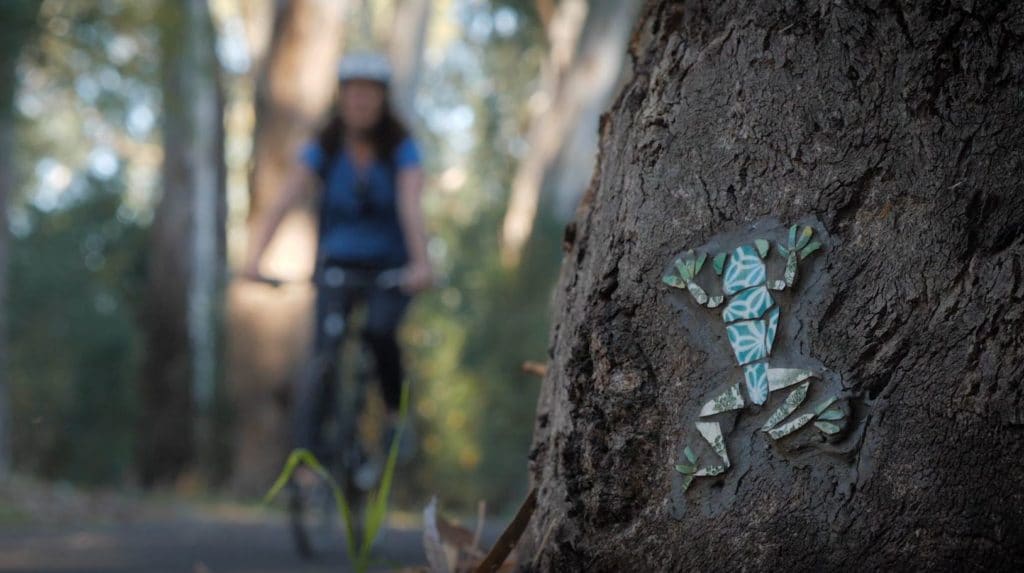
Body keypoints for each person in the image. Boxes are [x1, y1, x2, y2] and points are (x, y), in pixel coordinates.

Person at [242, 52, 431, 471]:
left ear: (383, 100)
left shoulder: (402, 148)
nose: (361, 102)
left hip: (390, 269)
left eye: (370, 94)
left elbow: (410, 206)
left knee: (381, 332)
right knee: (324, 353)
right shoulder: (323, 147)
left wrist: (421, 263)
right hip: (336, 266)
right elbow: (283, 201)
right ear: (341, 97)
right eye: (353, 93)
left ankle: (394, 420)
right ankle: (311, 457)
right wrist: (254, 259)